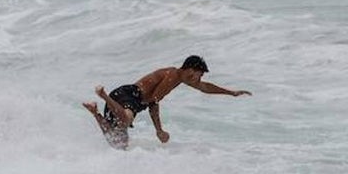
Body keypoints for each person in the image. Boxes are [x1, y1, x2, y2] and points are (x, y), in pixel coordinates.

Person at [82, 55, 251, 149]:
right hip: (130, 95)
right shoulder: (172, 76)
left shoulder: (179, 78)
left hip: (124, 99)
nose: (200, 78)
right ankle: (103, 95)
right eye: (200, 74)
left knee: (118, 143)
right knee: (126, 119)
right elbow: (153, 100)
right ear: (191, 71)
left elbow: (205, 87)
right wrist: (159, 129)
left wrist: (231, 93)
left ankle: (95, 111)